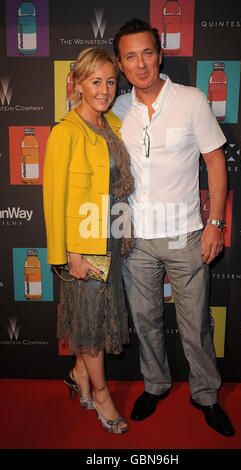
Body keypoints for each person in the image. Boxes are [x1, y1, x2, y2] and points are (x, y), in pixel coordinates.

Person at [112, 18, 234, 437]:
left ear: (160, 55)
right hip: (135, 237)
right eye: (130, 56)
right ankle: (156, 384)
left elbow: (216, 163)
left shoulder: (192, 100)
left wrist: (215, 223)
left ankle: (206, 395)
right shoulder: (116, 109)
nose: (140, 63)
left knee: (195, 323)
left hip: (186, 234)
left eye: (147, 52)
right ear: (121, 65)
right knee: (144, 321)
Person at [43, 47, 135, 434]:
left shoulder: (112, 122)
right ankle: (101, 395)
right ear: (78, 83)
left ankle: (78, 373)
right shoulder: (65, 132)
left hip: (113, 236)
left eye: (111, 81)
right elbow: (55, 198)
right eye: (95, 81)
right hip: (85, 245)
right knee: (93, 326)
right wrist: (71, 254)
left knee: (92, 319)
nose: (104, 89)